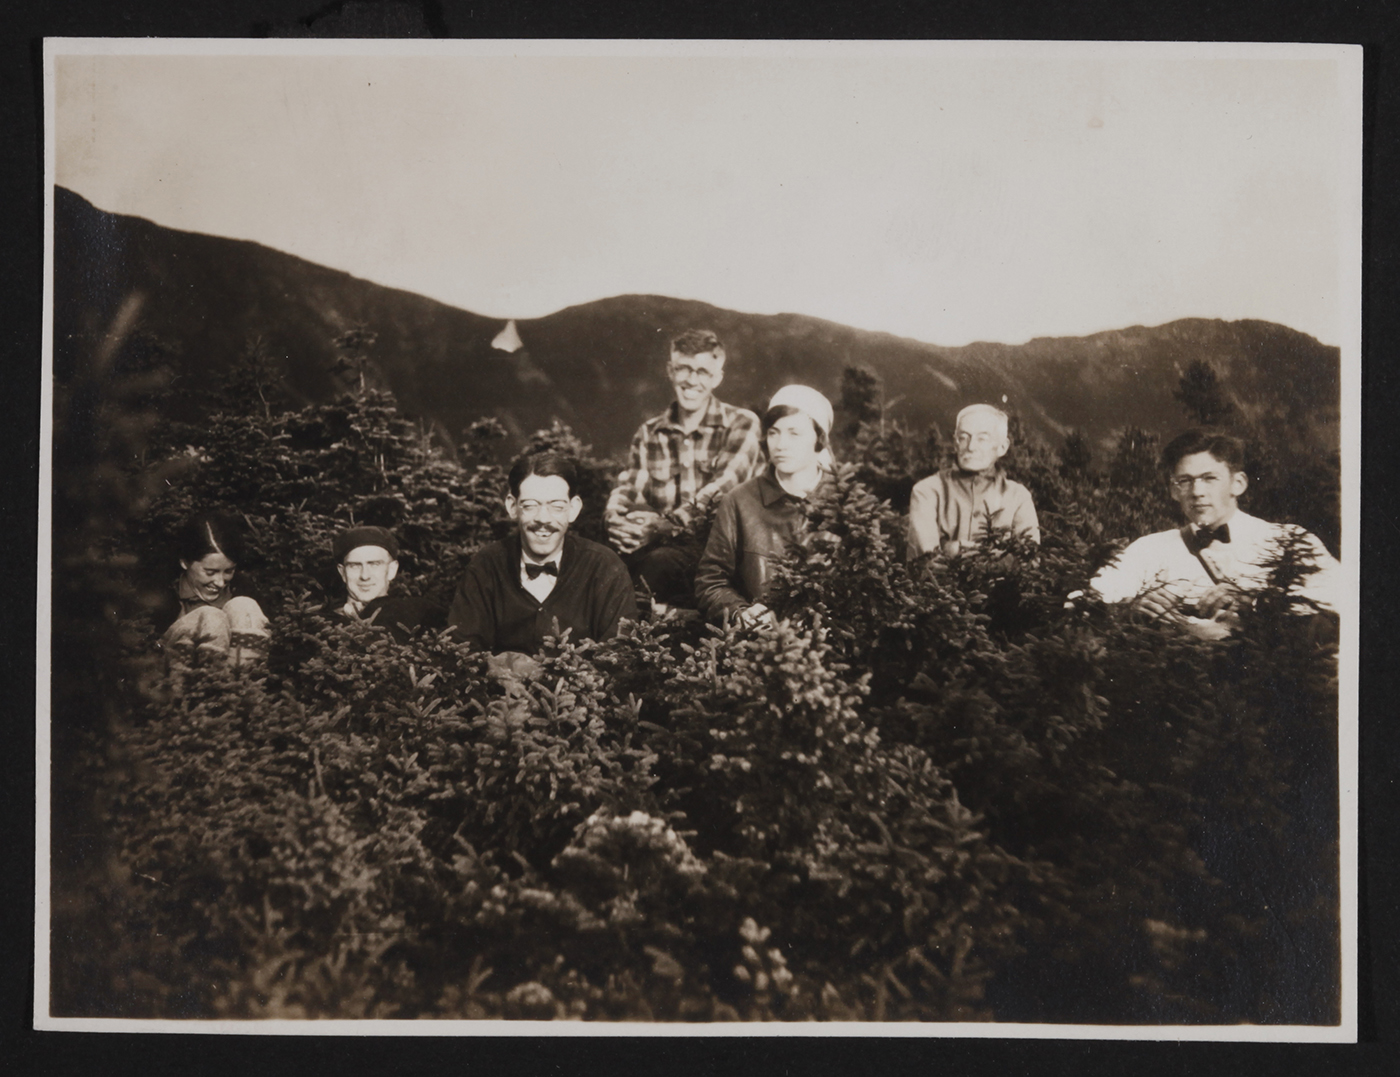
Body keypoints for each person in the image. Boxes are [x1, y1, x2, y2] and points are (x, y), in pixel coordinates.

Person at [1090, 429, 1340, 638]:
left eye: (1210, 478)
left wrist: (1255, 603)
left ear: (1238, 483)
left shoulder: (1289, 541)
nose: (1196, 491)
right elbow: (1086, 601)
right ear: (1173, 490)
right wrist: (1129, 610)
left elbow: (1345, 605)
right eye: (1185, 481)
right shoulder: (1149, 549)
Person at [605, 329, 763, 610]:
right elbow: (628, 484)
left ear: (717, 377)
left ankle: (626, 638)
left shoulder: (742, 424)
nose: (691, 380)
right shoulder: (650, 432)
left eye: (702, 371)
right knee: (603, 559)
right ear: (670, 370)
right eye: (683, 369)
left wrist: (660, 526)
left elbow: (720, 490)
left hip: (723, 551)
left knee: (656, 565)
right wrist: (616, 520)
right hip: (667, 546)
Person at [449, 451, 638, 653]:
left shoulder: (606, 567)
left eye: (557, 506)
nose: (543, 519)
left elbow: (619, 654)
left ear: (573, 509)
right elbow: (463, 652)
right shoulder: (485, 566)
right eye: (530, 506)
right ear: (512, 507)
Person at [694, 385, 834, 626]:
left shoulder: (847, 505)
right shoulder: (739, 501)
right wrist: (741, 613)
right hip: (757, 646)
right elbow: (710, 580)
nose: (780, 444)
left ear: (819, 439)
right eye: (773, 432)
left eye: (794, 433)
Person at [907, 403, 1040, 561]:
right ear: (956, 444)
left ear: (1002, 447)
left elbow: (1028, 561)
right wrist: (998, 556)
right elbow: (927, 561)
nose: (970, 447)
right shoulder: (927, 491)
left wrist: (954, 548)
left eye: (982, 439)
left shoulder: (1018, 497)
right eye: (963, 438)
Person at [157, 512, 270, 666]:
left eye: (229, 571)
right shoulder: (163, 594)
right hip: (177, 672)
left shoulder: (242, 589)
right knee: (211, 617)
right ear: (184, 562)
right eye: (210, 572)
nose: (220, 582)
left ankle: (243, 679)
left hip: (238, 681)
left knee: (244, 606)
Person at [331, 525, 445, 642]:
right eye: (354, 566)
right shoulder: (322, 622)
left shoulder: (419, 613)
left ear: (392, 570)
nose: (365, 576)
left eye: (374, 564)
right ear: (342, 572)